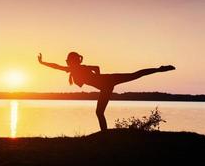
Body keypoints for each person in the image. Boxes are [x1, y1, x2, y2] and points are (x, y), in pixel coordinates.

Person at [37, 52, 175, 131]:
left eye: (68, 61)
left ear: (72, 61)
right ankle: (104, 134)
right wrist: (98, 78)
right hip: (106, 84)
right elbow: (96, 67)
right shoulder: (79, 68)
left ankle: (159, 69)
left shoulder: (75, 69)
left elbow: (56, 66)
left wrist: (42, 63)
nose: (67, 63)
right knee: (99, 111)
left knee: (135, 74)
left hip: (108, 82)